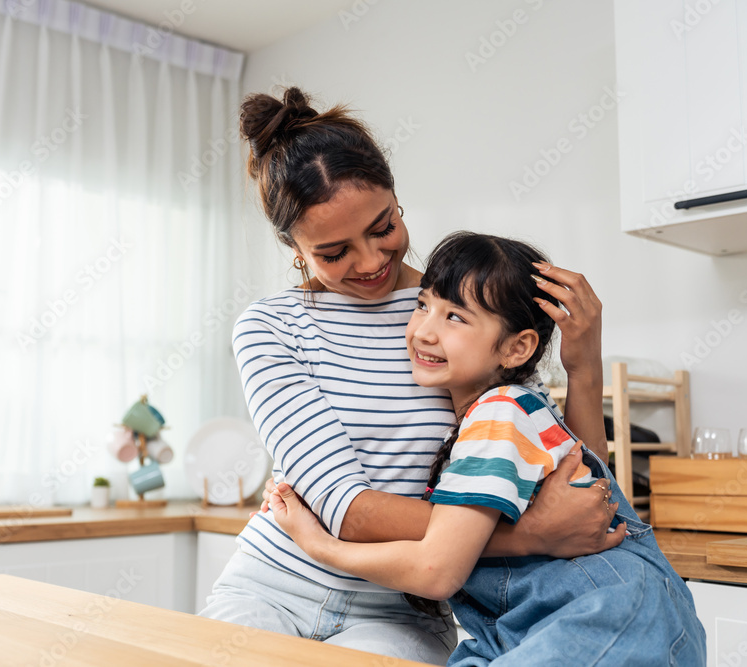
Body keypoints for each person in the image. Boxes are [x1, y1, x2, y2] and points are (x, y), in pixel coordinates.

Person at [198, 87, 623, 665]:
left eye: (382, 227)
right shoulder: (270, 328)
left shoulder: (465, 311)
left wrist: (584, 366)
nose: (371, 261)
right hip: (271, 583)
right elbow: (346, 509)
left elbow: (571, 483)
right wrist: (530, 537)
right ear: (294, 248)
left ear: (398, 199)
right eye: (333, 252)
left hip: (403, 613)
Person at [267, 231, 706, 666]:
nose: (424, 331)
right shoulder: (509, 412)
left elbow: (437, 570)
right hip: (531, 626)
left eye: (455, 317)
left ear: (518, 348)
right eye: (423, 305)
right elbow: (586, 467)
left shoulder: (500, 412)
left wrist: (319, 544)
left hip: (607, 616)